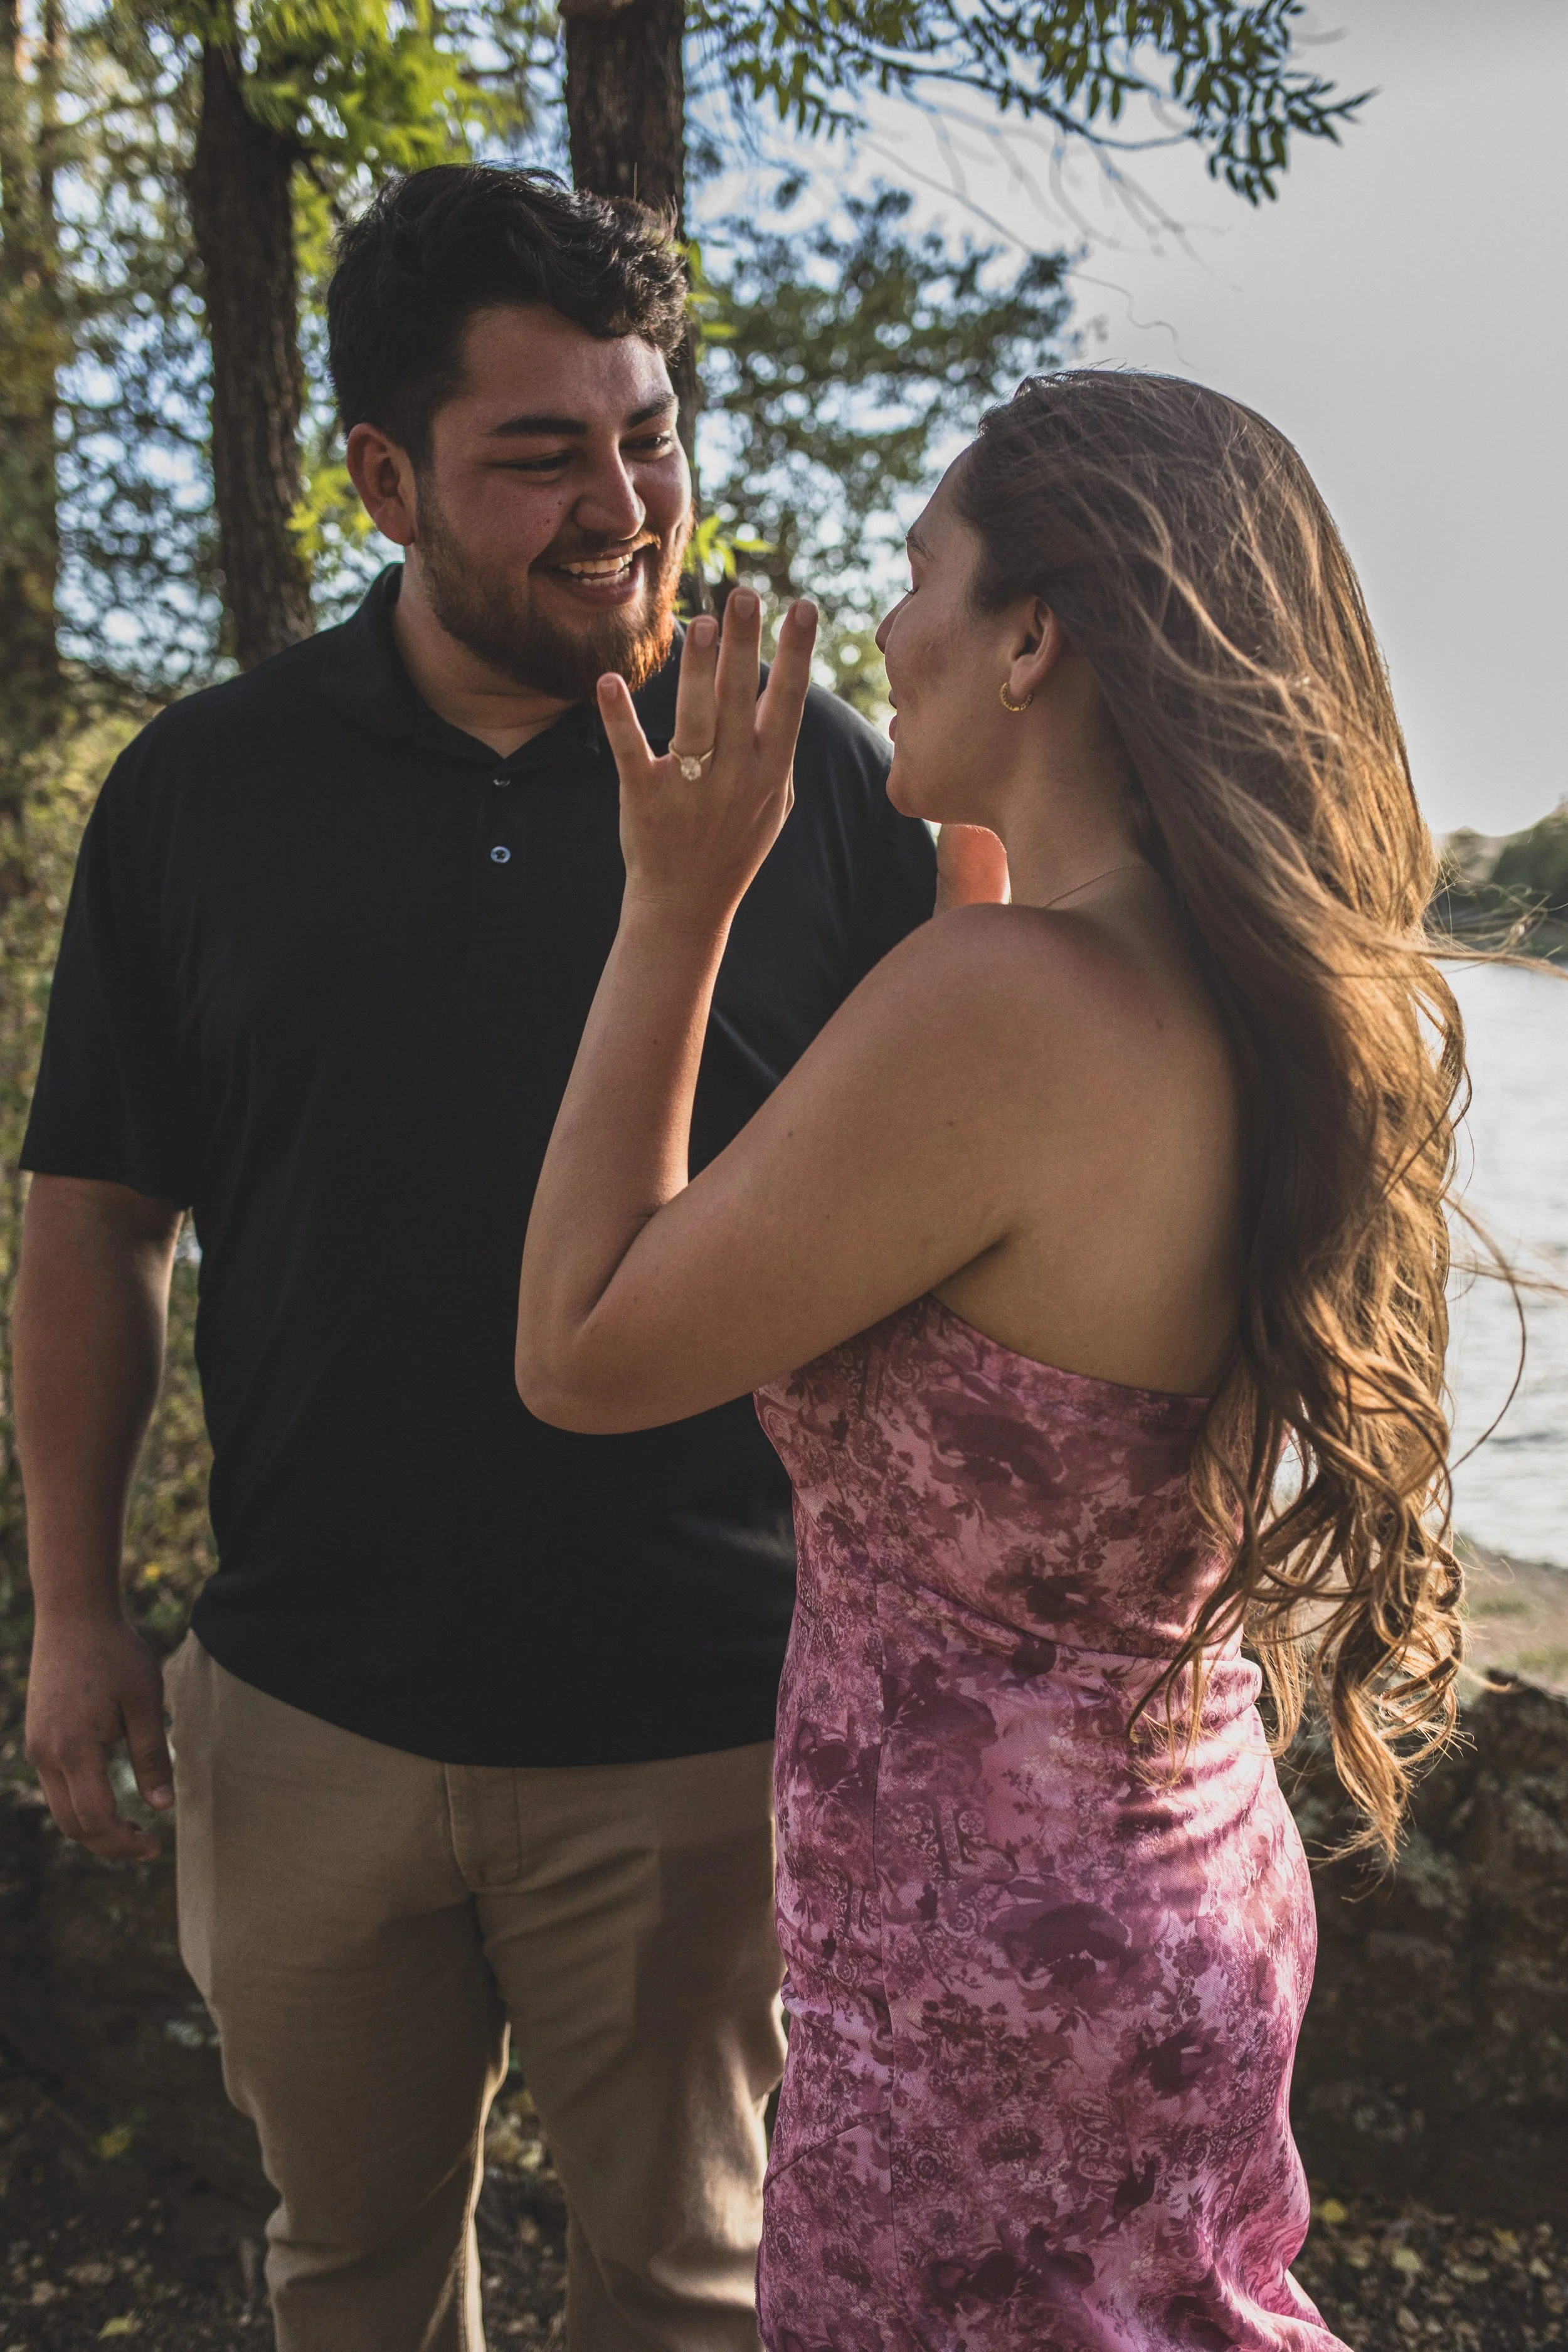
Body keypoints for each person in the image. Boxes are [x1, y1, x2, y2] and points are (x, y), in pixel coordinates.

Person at [14, 166, 936, 2352]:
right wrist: (73, 1609)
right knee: (340, 2273)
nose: (623, 503)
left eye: (651, 434)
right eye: (542, 454)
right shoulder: (200, 792)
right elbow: (95, 1220)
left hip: (708, 1733)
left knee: (694, 2294)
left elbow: (966, 1220)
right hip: (309, 1715)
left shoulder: (816, 780)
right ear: (380, 476)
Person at [514, 369, 1466, 2350]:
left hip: (995, 1979)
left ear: (1034, 635)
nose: (881, 626)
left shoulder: (1004, 1004)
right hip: (1163, 1884)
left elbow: (585, 1347)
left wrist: (675, 900)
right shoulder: (1227, 994)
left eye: (918, 568)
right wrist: (970, 891)